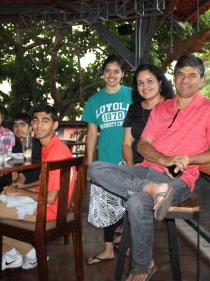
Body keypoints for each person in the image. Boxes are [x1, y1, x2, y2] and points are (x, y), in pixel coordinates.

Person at [88, 54, 210, 281]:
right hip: (146, 169)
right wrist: (164, 160)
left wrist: (186, 159)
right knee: (95, 169)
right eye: (180, 74)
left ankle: (142, 266)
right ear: (174, 77)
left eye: (192, 75)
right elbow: (142, 144)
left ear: (201, 80)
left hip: (179, 178)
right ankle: (150, 188)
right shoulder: (162, 109)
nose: (185, 80)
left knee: (136, 201)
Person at [0, 105, 75, 270]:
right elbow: (47, 183)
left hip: (48, 211)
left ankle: (9, 256)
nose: (38, 125)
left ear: (55, 125)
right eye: (36, 120)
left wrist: (19, 191)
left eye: (45, 120)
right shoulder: (50, 147)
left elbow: (50, 198)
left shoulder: (55, 152)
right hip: (53, 207)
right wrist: (21, 189)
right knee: (2, 201)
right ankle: (30, 254)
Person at [82, 55, 133, 264]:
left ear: (122, 74)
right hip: (105, 160)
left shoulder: (132, 94)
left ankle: (129, 243)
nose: (111, 75)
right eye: (108, 71)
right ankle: (108, 249)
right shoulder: (95, 100)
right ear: (103, 74)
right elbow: (92, 133)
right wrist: (89, 161)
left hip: (130, 160)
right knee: (106, 205)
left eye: (116, 71)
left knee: (131, 204)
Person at [123, 64, 174, 165]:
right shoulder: (133, 108)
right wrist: (131, 167)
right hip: (137, 166)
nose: (145, 86)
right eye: (140, 83)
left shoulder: (172, 106)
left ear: (160, 83)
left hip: (163, 165)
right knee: (96, 168)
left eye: (150, 81)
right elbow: (127, 144)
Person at [11, 112, 41, 185]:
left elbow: (37, 171)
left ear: (30, 128)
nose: (18, 128)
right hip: (20, 185)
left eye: (22, 125)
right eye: (15, 125)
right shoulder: (15, 147)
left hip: (35, 187)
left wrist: (19, 181)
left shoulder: (39, 145)